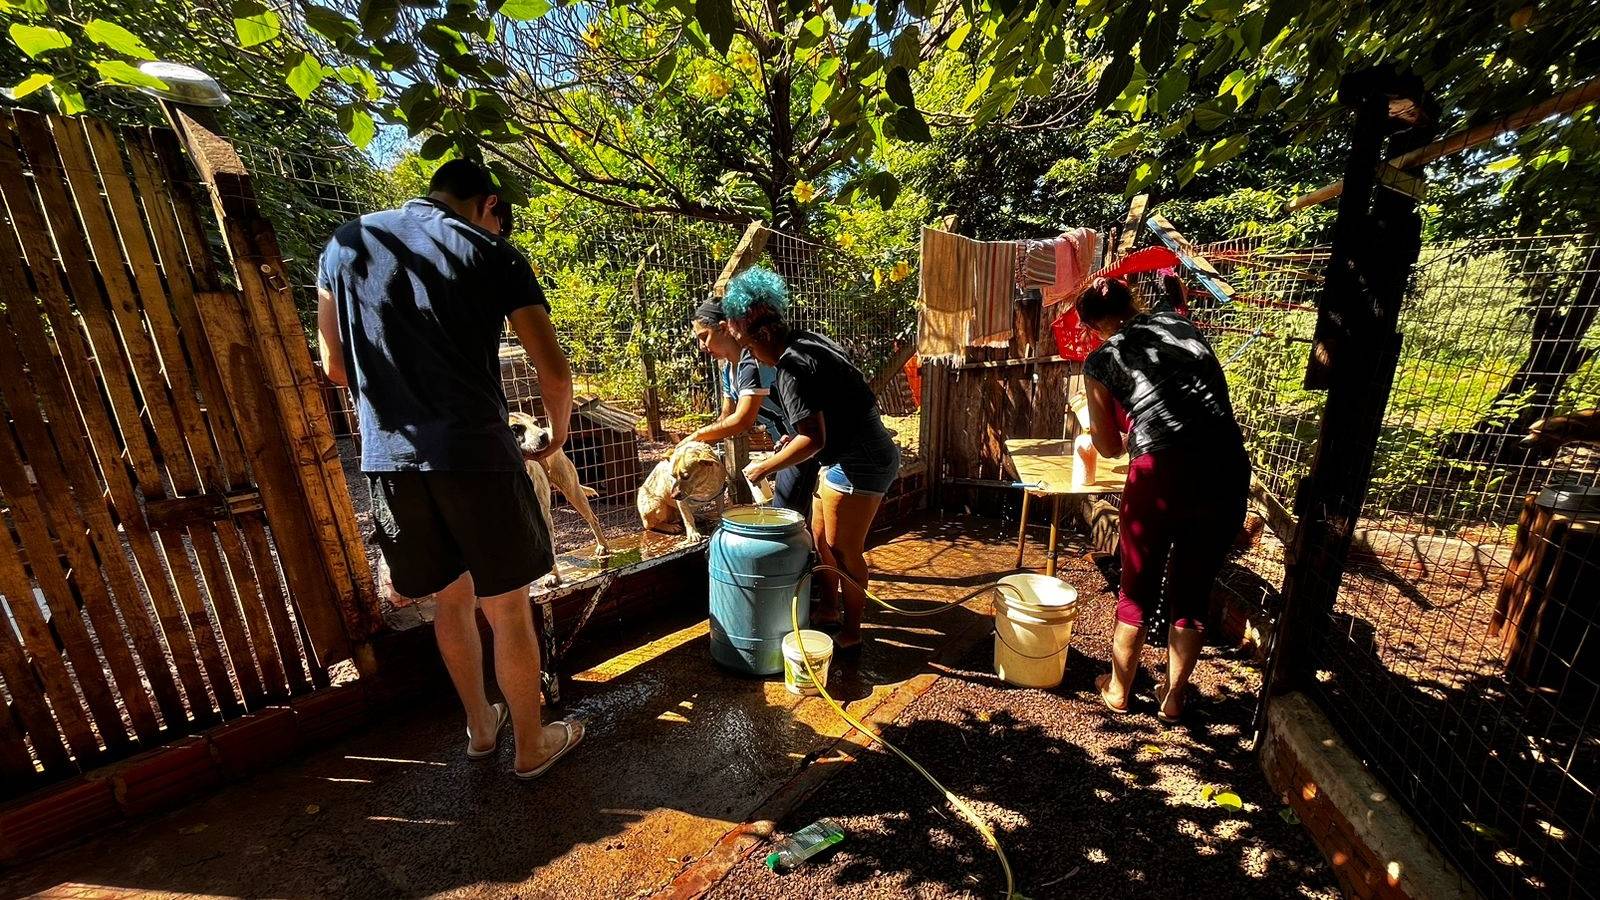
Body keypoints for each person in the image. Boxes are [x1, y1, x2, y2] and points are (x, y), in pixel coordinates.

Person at [317, 159, 585, 777]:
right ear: (489, 205)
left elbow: (334, 364)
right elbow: (554, 369)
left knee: (451, 601)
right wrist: (557, 431)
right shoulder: (493, 253)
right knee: (509, 605)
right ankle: (531, 746)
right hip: (475, 454)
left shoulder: (346, 243)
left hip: (392, 457)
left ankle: (480, 729)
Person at [1077, 277, 1249, 723]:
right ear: (1132, 302)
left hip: (1161, 471)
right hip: (1224, 466)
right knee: (1192, 591)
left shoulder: (1101, 359)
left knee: (1136, 589)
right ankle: (1173, 699)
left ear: (1094, 326)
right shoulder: (1181, 326)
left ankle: (1118, 689)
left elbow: (1110, 448)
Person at [724, 267, 900, 656]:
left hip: (861, 461)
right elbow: (828, 410)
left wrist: (764, 467)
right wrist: (797, 436)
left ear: (763, 333)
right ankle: (828, 607)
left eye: (747, 344)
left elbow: (814, 438)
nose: (749, 353)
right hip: (849, 453)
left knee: (842, 550)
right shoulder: (810, 341)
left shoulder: (789, 367)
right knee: (820, 539)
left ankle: (852, 632)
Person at [686, 296, 820, 519]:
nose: (702, 346)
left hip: (806, 439)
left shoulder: (755, 358)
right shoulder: (728, 369)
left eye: (704, 337)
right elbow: (727, 418)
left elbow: (742, 420)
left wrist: (696, 436)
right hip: (789, 442)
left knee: (785, 517)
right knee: (799, 517)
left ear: (723, 328)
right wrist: (700, 451)